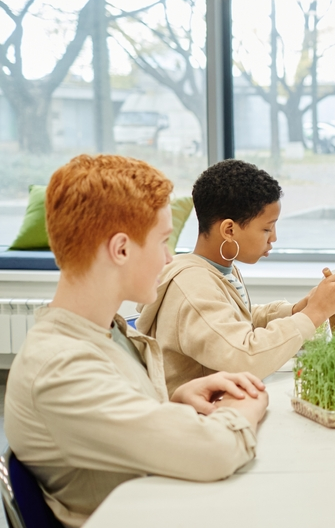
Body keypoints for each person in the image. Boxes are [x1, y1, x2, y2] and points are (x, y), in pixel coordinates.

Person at [4, 155, 268, 527]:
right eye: (162, 241)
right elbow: (216, 451)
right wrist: (245, 409)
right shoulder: (62, 368)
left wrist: (174, 398)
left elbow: (107, 421)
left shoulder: (105, 332)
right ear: (121, 249)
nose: (168, 258)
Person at [136, 159, 335, 394]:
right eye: (267, 228)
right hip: (201, 415)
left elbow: (235, 319)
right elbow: (244, 357)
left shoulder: (219, 269)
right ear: (229, 230)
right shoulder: (192, 286)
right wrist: (314, 314)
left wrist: (293, 311)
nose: (273, 238)